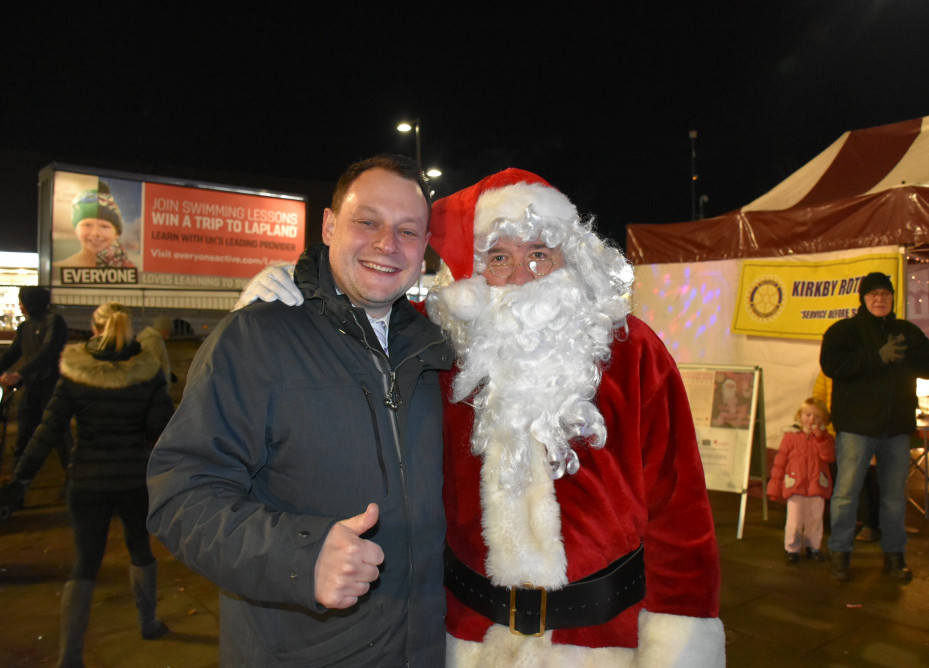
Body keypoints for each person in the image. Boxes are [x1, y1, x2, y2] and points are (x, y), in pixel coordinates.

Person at [239, 168, 725, 666]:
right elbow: (360, 318)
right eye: (499, 258)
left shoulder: (631, 349)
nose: (522, 275)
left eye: (539, 254)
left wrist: (680, 642)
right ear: (472, 277)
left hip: (605, 643)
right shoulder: (436, 346)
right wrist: (294, 299)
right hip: (466, 638)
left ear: (571, 261)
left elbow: (681, 513)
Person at [146, 155, 454, 666]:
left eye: (408, 230)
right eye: (367, 221)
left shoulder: (433, 349)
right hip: (303, 652)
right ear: (330, 226)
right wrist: (300, 557)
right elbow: (181, 494)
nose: (387, 244)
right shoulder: (256, 338)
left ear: (424, 248)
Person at [9, 302, 174, 665]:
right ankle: (148, 623)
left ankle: (70, 655)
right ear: (129, 328)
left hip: (86, 481)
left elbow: (47, 429)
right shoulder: (147, 373)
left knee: (85, 562)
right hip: (133, 480)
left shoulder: (75, 374)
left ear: (94, 328)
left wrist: (20, 478)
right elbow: (163, 433)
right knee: (140, 550)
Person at [820, 272, 929, 582]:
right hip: (856, 428)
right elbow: (833, 366)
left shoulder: (906, 331)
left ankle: (894, 554)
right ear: (863, 299)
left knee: (894, 496)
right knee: (846, 494)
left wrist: (909, 356)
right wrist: (877, 357)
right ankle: (840, 552)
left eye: (885, 295)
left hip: (896, 428)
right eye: (873, 294)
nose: (880, 299)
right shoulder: (843, 331)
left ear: (892, 298)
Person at [0, 286, 69, 478]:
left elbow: (47, 352)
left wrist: (20, 373)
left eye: (22, 301)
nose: (20, 306)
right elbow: (13, 352)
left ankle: (72, 481)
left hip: (52, 389)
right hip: (31, 390)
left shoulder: (54, 322)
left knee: (60, 437)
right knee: (24, 438)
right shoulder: (25, 327)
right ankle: (18, 484)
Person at [767, 397, 836, 563]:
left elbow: (829, 457)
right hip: (795, 485)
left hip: (817, 486)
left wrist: (821, 439)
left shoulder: (826, 439)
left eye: (817, 417)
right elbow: (780, 462)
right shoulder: (790, 437)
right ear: (800, 415)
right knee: (794, 521)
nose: (811, 419)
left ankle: (813, 547)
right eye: (808, 414)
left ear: (824, 420)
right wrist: (774, 487)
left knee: (815, 520)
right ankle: (792, 548)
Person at [814, 371, 880, 542]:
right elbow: (819, 398)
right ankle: (854, 522)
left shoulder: (863, 369)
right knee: (840, 479)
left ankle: (868, 523)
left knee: (861, 477)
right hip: (834, 433)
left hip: (858, 432)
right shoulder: (828, 371)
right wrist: (819, 422)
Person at [57, 181, 134, 268]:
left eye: (104, 226)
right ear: (76, 230)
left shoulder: (128, 269)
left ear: (117, 233)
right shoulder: (59, 268)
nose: (95, 233)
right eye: (87, 225)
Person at [136, 315, 173, 389]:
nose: (169, 333)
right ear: (164, 329)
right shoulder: (154, 341)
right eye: (168, 330)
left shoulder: (154, 339)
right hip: (156, 386)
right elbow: (152, 365)